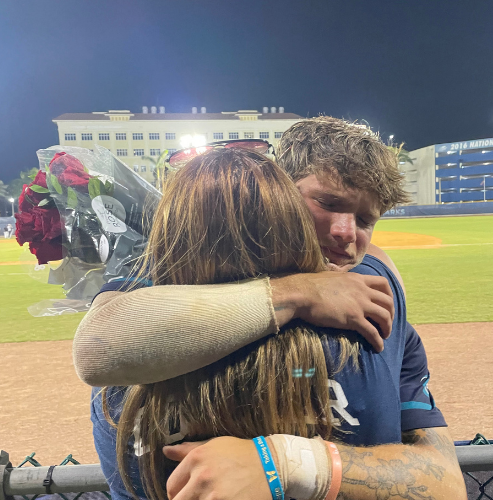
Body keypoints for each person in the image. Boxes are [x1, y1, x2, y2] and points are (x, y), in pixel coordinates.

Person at [76, 117, 466, 499]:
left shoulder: (378, 312)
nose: (347, 233)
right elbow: (97, 348)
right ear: (274, 192)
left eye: (365, 220)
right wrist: (300, 292)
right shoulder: (161, 293)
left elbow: (444, 483)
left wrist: (288, 462)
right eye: (327, 203)